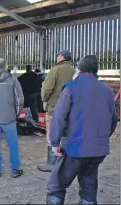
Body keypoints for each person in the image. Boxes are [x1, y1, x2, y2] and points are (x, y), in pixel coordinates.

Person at [45, 55, 118, 205]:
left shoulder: (71, 88)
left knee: (57, 186)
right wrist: (100, 140)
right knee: (89, 187)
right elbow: (113, 121)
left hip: (75, 148)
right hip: (98, 150)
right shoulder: (107, 91)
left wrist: (54, 142)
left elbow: (59, 117)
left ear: (79, 70)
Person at [37, 50, 75, 172]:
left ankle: (52, 162)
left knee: (52, 134)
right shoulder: (75, 72)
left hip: (54, 108)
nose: (57, 58)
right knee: (66, 134)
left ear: (62, 58)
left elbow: (46, 89)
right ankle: (65, 162)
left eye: (58, 56)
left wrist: (44, 100)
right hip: (70, 109)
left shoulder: (55, 70)